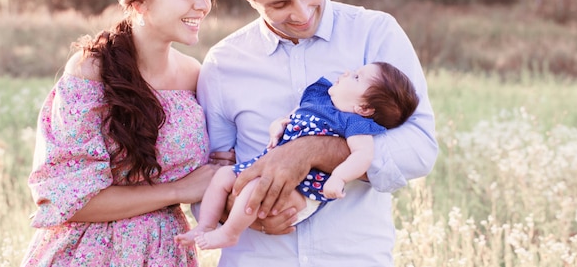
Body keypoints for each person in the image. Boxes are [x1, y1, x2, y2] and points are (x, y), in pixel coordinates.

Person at [194, 0, 438, 266]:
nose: (303, 12)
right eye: (279, 4)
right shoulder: (222, 64)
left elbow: (420, 147)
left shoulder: (375, 33)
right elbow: (208, 175)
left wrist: (310, 151)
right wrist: (252, 210)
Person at [21, 0, 234, 267]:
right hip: (89, 253)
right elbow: (69, 199)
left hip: (166, 252)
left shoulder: (195, 75)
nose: (202, 4)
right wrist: (178, 191)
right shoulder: (91, 70)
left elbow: (219, 166)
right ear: (139, 0)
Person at [177, 62, 419, 249]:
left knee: (254, 189)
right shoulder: (318, 99)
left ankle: (230, 233)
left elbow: (362, 156)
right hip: (268, 164)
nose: (347, 72)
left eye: (356, 77)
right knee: (222, 176)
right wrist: (276, 127)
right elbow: (290, 117)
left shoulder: (353, 122)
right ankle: (206, 226)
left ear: (364, 108)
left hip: (304, 184)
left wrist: (339, 177)